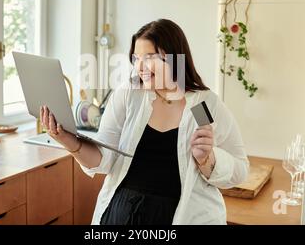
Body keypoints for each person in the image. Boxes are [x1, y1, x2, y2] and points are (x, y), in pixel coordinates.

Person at [40, 19, 249, 225]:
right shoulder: (129, 95)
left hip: (185, 216)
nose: (140, 67)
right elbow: (104, 159)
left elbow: (240, 169)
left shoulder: (202, 104)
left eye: (150, 57)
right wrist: (67, 140)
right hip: (120, 214)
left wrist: (208, 160)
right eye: (136, 58)